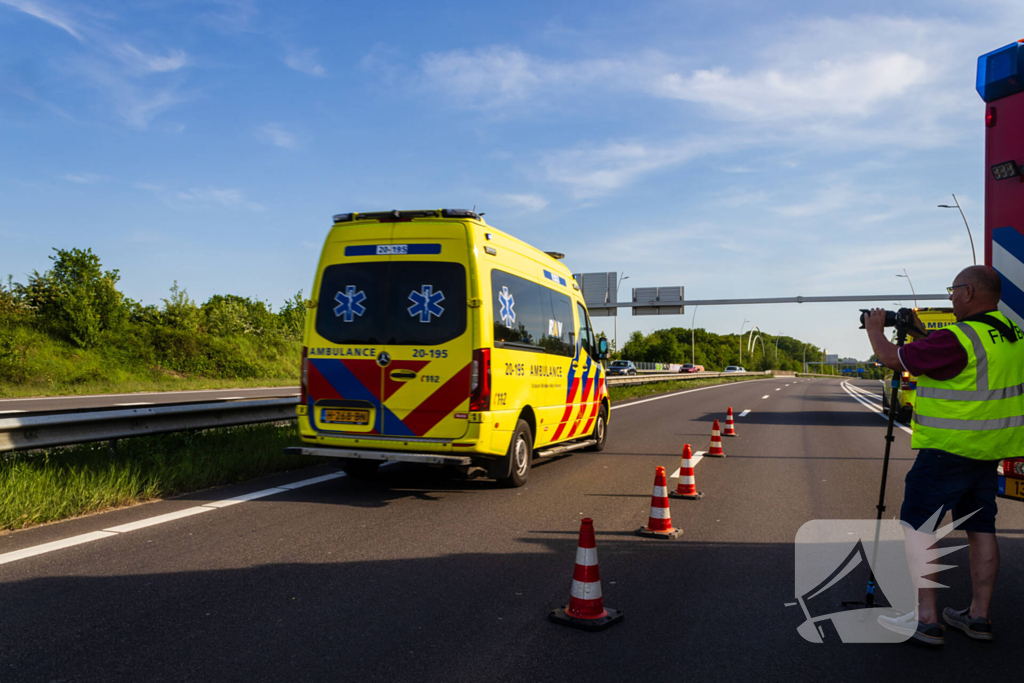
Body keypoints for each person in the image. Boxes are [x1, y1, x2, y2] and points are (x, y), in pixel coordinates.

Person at [864, 265, 1024, 646]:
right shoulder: (1012, 334)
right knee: (981, 529)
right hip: (989, 452)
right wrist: (919, 332)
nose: (950, 297)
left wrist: (875, 328)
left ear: (969, 292)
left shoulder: (959, 338)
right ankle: (978, 617)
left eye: (953, 290)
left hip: (947, 453)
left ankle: (926, 619)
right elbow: (957, 364)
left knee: (920, 528)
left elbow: (892, 359)